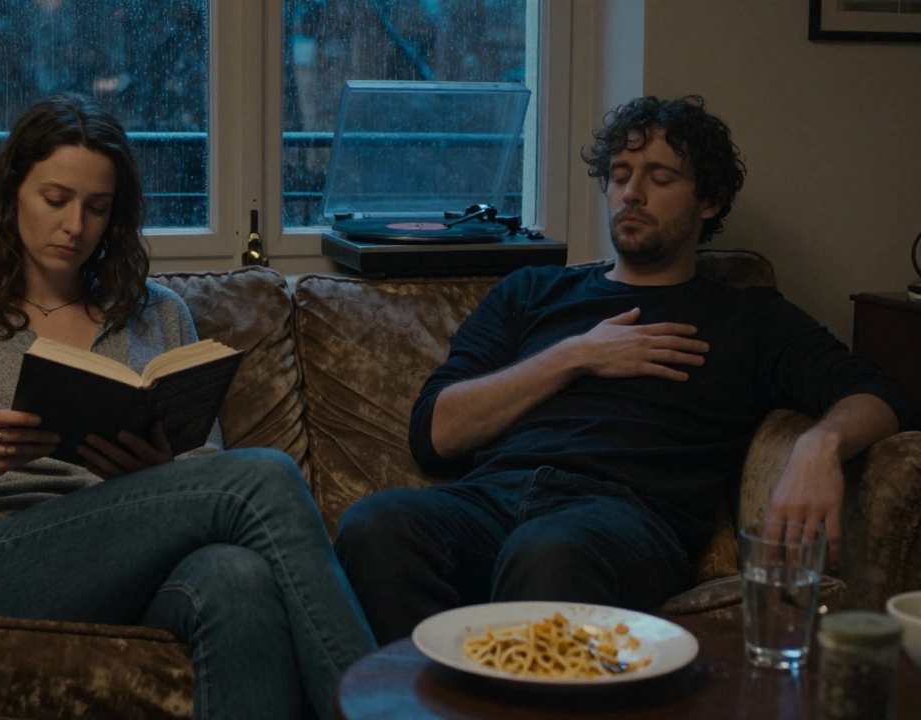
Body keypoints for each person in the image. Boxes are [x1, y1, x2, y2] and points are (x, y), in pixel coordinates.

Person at [333, 95, 917, 644]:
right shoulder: (530, 292)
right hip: (493, 499)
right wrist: (576, 355)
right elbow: (434, 434)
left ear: (709, 201)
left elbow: (880, 391)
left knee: (548, 550)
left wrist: (818, 447)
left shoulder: (748, 317)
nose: (631, 193)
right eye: (619, 176)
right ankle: (427, 697)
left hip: (624, 517)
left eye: (659, 178)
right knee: (376, 525)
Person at [0, 93, 374, 720]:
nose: (75, 226)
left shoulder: (158, 313)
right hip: (0, 559)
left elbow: (206, 466)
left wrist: (154, 472)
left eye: (97, 208)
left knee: (237, 580)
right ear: (13, 192)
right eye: (55, 199)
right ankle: (380, 706)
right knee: (267, 476)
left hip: (139, 559)